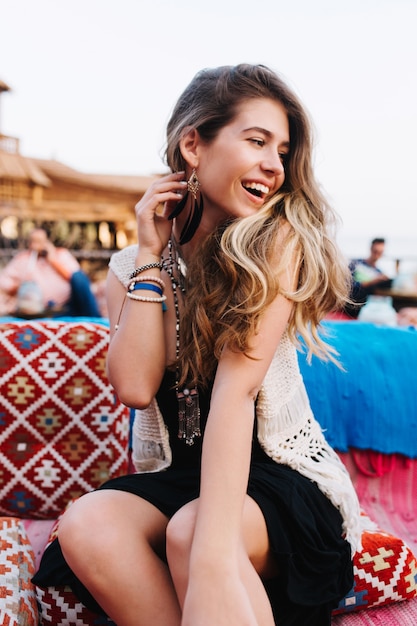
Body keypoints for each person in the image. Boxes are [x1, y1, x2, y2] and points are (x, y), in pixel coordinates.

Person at [33, 64, 362, 625]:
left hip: (277, 478)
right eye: (256, 140)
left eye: (282, 151)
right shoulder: (129, 267)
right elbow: (135, 388)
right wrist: (147, 256)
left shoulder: (275, 245)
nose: (274, 166)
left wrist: (211, 557)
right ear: (193, 144)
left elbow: (234, 395)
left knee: (196, 531)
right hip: (181, 474)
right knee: (88, 524)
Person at [0, 227, 101, 317]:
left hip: (68, 305)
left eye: (39, 241)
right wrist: (20, 286)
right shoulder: (22, 259)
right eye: (32, 241)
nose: (35, 245)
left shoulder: (61, 254)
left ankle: (94, 319)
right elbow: (4, 282)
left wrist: (53, 262)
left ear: (47, 242)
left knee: (79, 276)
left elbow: (77, 281)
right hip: (41, 310)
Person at [344, 237, 392, 318]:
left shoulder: (379, 272)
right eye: (375, 251)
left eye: (380, 252)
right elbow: (348, 284)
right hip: (350, 303)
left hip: (366, 306)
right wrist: (373, 281)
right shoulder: (356, 264)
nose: (377, 255)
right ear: (371, 249)